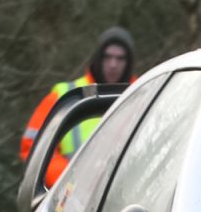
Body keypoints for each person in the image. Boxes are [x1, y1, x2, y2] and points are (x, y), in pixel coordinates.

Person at [19, 27, 135, 184]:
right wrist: (67, 181)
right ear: (98, 58)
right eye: (107, 57)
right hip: (69, 194)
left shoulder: (145, 94)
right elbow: (32, 147)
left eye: (120, 58)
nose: (113, 64)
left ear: (129, 62)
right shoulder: (67, 95)